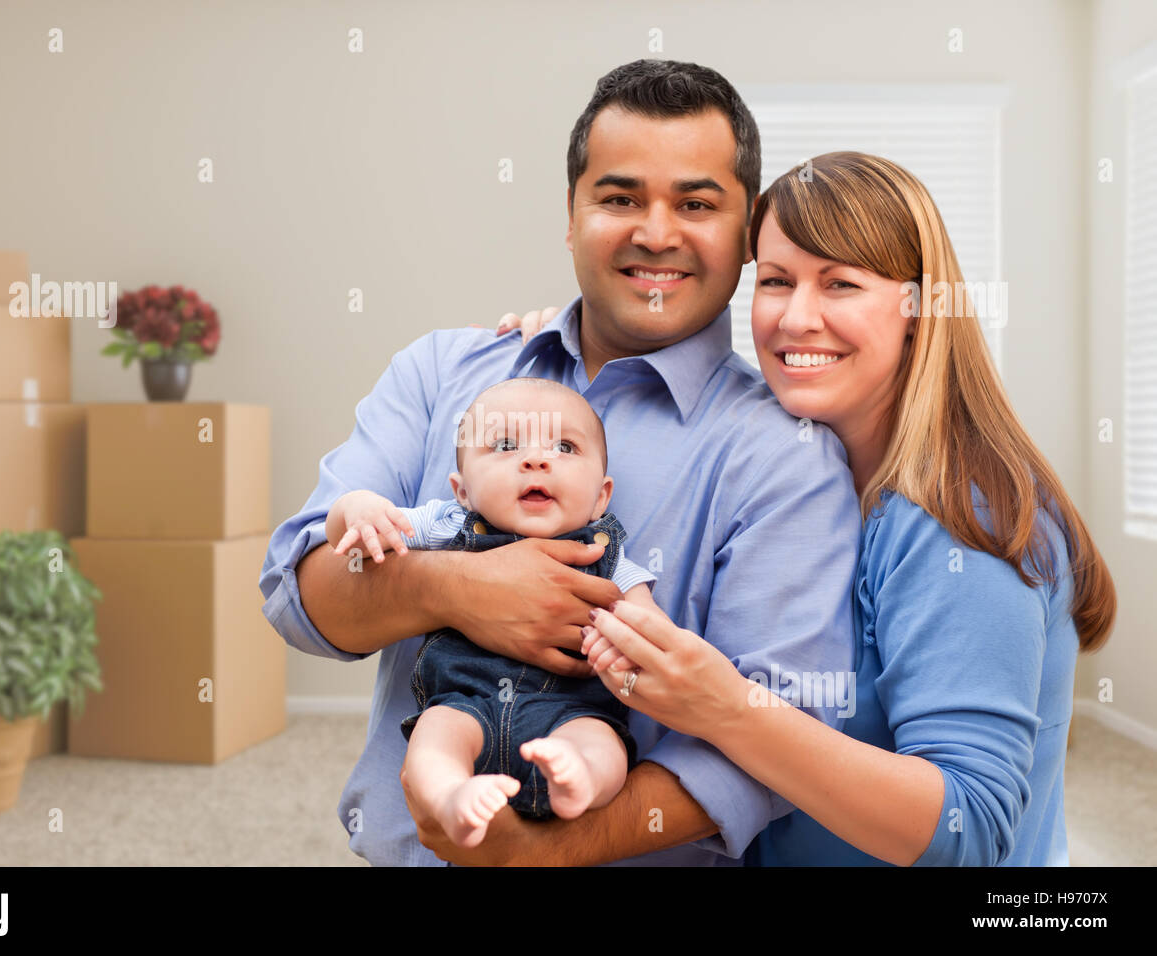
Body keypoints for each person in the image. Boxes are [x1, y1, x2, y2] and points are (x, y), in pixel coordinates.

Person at [258, 59, 862, 866]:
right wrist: (457, 587)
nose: (655, 232)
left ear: (747, 230)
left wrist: (541, 852)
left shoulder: (785, 456)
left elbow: (777, 740)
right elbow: (300, 597)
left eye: (696, 202)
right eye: (619, 198)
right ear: (571, 215)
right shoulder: (442, 373)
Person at [508, 151, 1117, 865]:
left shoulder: (956, 516)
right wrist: (573, 342)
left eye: (841, 284)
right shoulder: (802, 470)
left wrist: (730, 710)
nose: (798, 319)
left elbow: (971, 827)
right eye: (775, 281)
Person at [324, 377, 661, 848]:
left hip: (570, 711)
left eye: (564, 446)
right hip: (463, 704)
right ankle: (450, 797)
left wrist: (630, 646)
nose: (537, 460)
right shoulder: (447, 524)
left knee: (602, 745)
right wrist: (356, 509)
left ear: (601, 496)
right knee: (433, 738)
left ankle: (577, 779)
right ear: (462, 491)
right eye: (505, 445)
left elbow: (652, 634)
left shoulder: (608, 555)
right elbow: (353, 526)